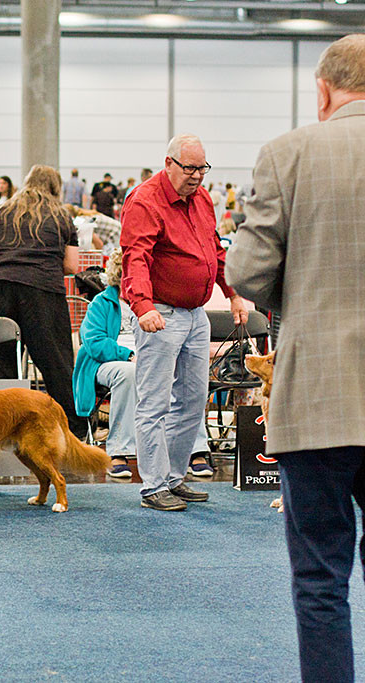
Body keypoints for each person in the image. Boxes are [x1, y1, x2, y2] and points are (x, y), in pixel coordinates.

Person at [225, 34, 365, 682]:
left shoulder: (289, 152)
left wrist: (300, 284)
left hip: (318, 395)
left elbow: (247, 274)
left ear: (323, 91)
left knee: (320, 577)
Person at [120, 133, 247, 512]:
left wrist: (234, 292)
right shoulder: (145, 200)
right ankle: (153, 485)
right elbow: (136, 257)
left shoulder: (203, 199)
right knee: (154, 403)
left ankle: (174, 478)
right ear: (169, 163)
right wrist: (143, 306)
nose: (196, 176)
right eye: (189, 168)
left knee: (193, 401)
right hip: (161, 313)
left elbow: (215, 250)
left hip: (196, 315)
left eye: (202, 168)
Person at [73, 249, 213, 479]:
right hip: (110, 362)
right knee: (130, 372)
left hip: (153, 357)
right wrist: (128, 354)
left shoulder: (162, 303)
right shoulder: (102, 302)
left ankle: (195, 450)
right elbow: (94, 342)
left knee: (183, 379)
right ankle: (119, 452)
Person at [0, 165, 87, 439]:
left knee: (3, 364)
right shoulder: (62, 216)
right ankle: (72, 430)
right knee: (55, 363)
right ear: (55, 188)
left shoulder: (2, 210)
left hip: (3, 287)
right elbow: (72, 265)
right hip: (43, 291)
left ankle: (5, 432)